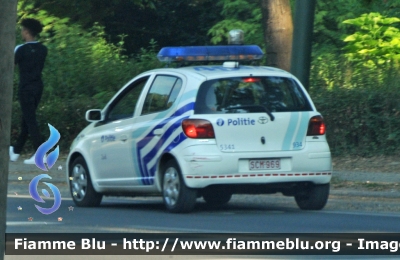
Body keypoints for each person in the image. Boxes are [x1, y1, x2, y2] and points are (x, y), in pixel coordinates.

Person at [9, 18, 48, 164]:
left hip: (25, 88)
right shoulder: (43, 49)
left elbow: (10, 65)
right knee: (27, 119)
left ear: (26, 32)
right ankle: (16, 150)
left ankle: (40, 153)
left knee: (30, 121)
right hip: (38, 87)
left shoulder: (20, 49)